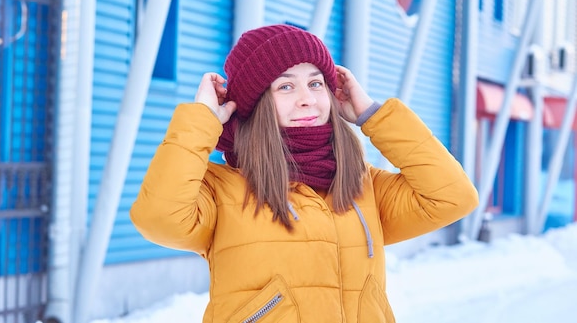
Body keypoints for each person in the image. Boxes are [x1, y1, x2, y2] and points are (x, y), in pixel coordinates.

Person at [130, 24, 479, 323]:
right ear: (254, 104)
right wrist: (201, 120)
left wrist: (374, 115)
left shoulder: (361, 186)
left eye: (315, 84)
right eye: (285, 86)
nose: (307, 99)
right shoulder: (223, 190)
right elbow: (158, 218)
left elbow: (453, 197)